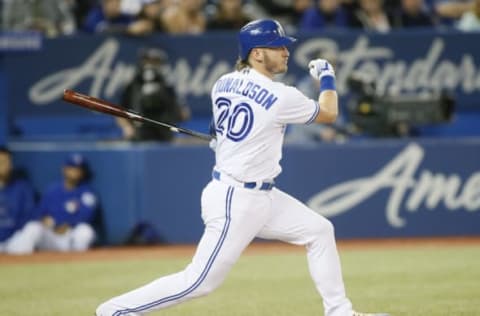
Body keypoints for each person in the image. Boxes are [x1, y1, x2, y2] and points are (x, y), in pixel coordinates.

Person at [95, 19, 389, 316]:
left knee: (319, 230)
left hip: (260, 195)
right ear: (257, 53)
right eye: (278, 47)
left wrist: (222, 141)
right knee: (199, 281)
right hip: (235, 199)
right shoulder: (281, 95)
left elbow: (219, 126)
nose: (286, 52)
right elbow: (328, 112)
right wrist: (327, 77)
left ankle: (340, 311)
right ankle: (116, 310)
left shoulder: (222, 82)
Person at [117, 47, 190, 142]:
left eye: (155, 61)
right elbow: (120, 111)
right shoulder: (133, 84)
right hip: (139, 132)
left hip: (164, 133)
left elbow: (183, 114)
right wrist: (127, 128)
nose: (151, 65)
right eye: (148, 61)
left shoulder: (167, 84)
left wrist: (176, 115)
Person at [36, 153, 97, 252]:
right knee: (33, 229)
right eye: (72, 168)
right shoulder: (52, 191)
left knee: (85, 231)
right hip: (52, 235)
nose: (75, 172)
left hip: (71, 235)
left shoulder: (87, 192)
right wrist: (50, 223)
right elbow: (40, 214)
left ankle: (79, 263)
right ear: (64, 169)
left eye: (78, 169)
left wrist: (66, 223)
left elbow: (87, 216)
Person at [0, 147, 42, 255]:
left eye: (7, 161)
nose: (4, 165)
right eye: (1, 162)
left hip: (14, 241)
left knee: (35, 228)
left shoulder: (22, 187)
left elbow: (30, 215)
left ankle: (20, 264)